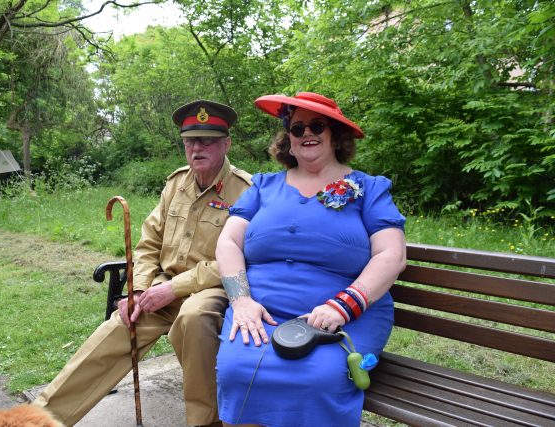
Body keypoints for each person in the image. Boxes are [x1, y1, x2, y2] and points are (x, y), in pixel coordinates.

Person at [33, 100, 252, 427]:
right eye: (190, 141)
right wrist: (138, 289)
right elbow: (149, 244)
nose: (197, 148)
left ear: (226, 143)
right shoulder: (175, 184)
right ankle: (35, 418)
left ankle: (206, 422)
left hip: (210, 291)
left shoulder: (246, 191)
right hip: (160, 287)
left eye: (207, 140)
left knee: (193, 319)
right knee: (118, 329)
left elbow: (236, 260)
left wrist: (173, 288)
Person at [215, 92, 407, 427]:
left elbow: (392, 254)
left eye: (317, 125)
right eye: (297, 127)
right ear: (287, 137)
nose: (306, 134)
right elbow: (229, 241)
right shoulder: (263, 186)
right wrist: (241, 299)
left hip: (345, 315)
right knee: (236, 371)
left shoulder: (369, 188)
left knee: (317, 378)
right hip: (261, 313)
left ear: (335, 134)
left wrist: (343, 306)